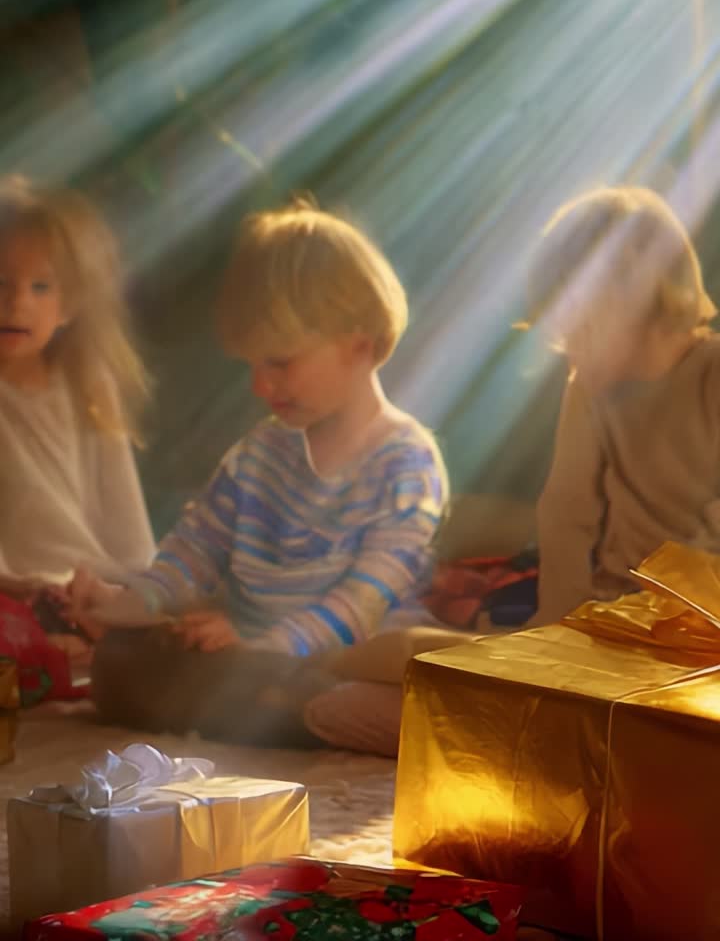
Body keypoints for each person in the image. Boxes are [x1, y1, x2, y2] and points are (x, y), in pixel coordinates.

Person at [71, 196, 448, 745]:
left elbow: (367, 599)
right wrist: (128, 606)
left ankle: (310, 710)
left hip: (351, 655)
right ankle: (281, 709)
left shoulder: (406, 461)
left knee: (395, 671)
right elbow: (193, 550)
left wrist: (272, 644)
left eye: (279, 363)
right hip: (250, 660)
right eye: (252, 365)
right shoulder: (258, 455)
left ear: (358, 347)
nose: (260, 387)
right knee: (119, 664)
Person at [526, 184, 720, 626]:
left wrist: (673, 618)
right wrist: (556, 626)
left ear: (635, 299)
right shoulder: (590, 390)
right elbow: (565, 513)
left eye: (578, 328)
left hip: (698, 626)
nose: (567, 350)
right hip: (613, 613)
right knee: (410, 658)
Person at [0, 174, 155, 690]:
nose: (17, 302)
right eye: (2, 282)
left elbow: (126, 532)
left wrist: (126, 597)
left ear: (70, 304)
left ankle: (74, 646)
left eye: (40, 286)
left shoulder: (89, 386)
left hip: (83, 594)